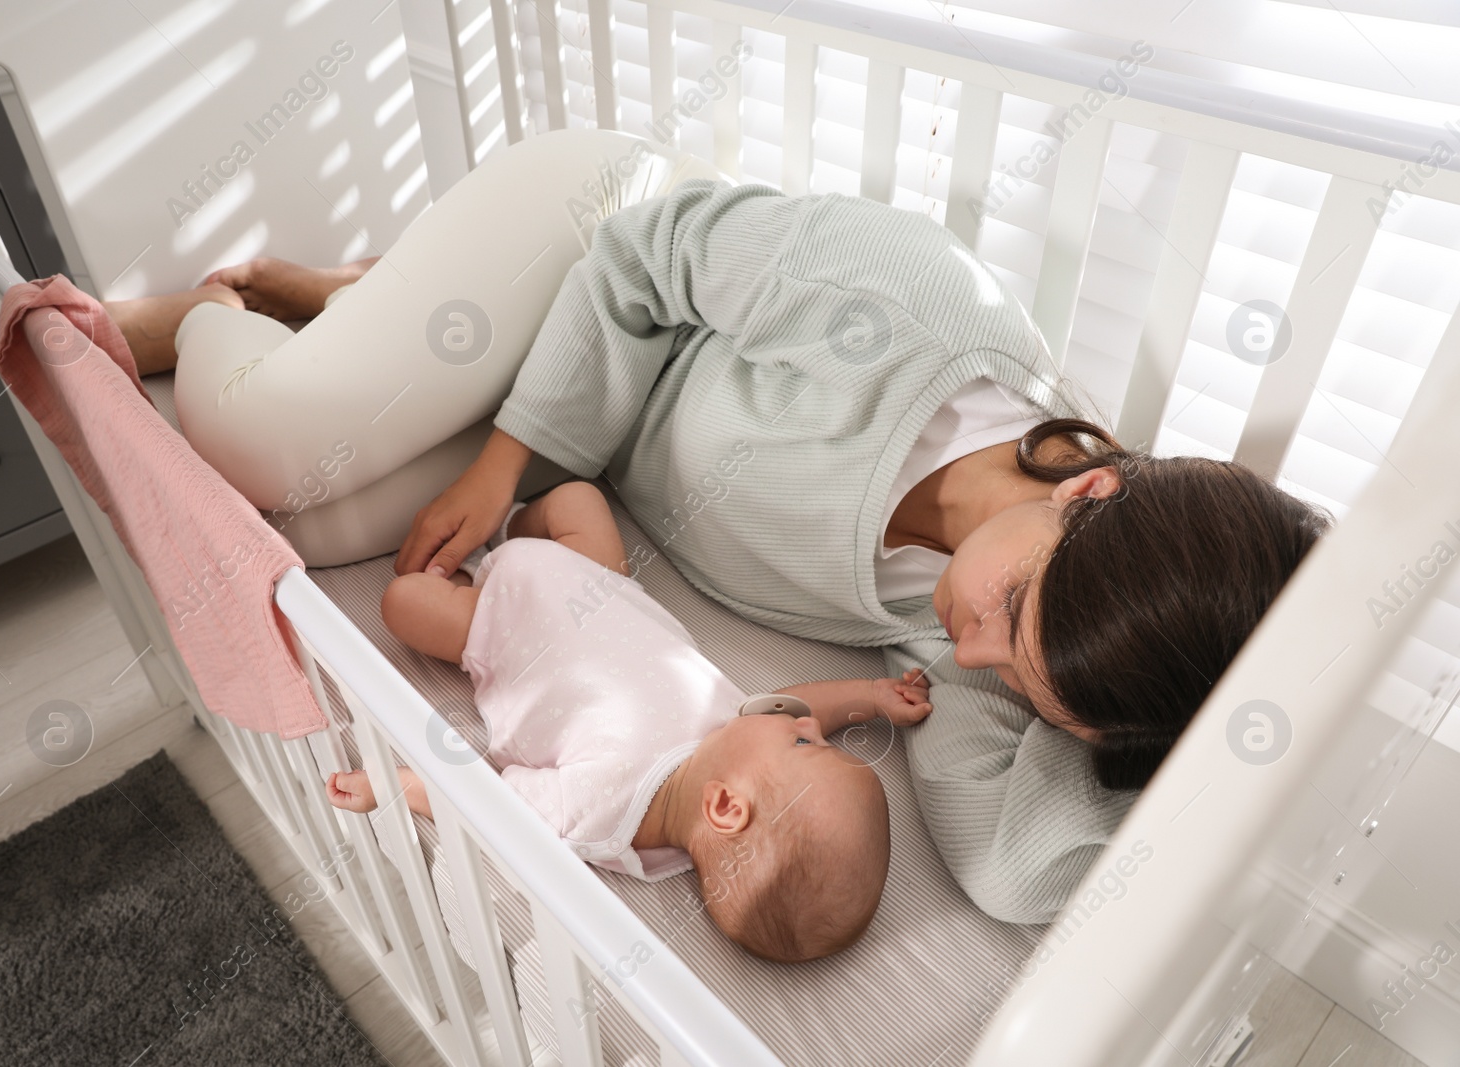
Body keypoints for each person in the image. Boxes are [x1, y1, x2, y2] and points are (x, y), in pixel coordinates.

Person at [110, 179, 1328, 924]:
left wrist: (1181, 737)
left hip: (593, 431)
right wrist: (503, 463)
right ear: (1092, 487)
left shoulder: (946, 646)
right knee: (266, 441)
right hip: (603, 262)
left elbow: (1016, 870)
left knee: (311, 528)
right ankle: (215, 311)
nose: (973, 650)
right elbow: (644, 253)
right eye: (1010, 609)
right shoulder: (925, 314)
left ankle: (365, 307)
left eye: (1017, 679)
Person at [323, 481, 931, 962]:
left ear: (726, 808)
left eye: (807, 743)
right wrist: (871, 695)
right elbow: (797, 700)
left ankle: (470, 571)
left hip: (499, 631)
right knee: (577, 498)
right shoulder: (727, 743)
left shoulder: (603, 813)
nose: (807, 723)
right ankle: (509, 529)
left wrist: (393, 786)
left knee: (403, 603)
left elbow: (491, 802)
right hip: (598, 581)